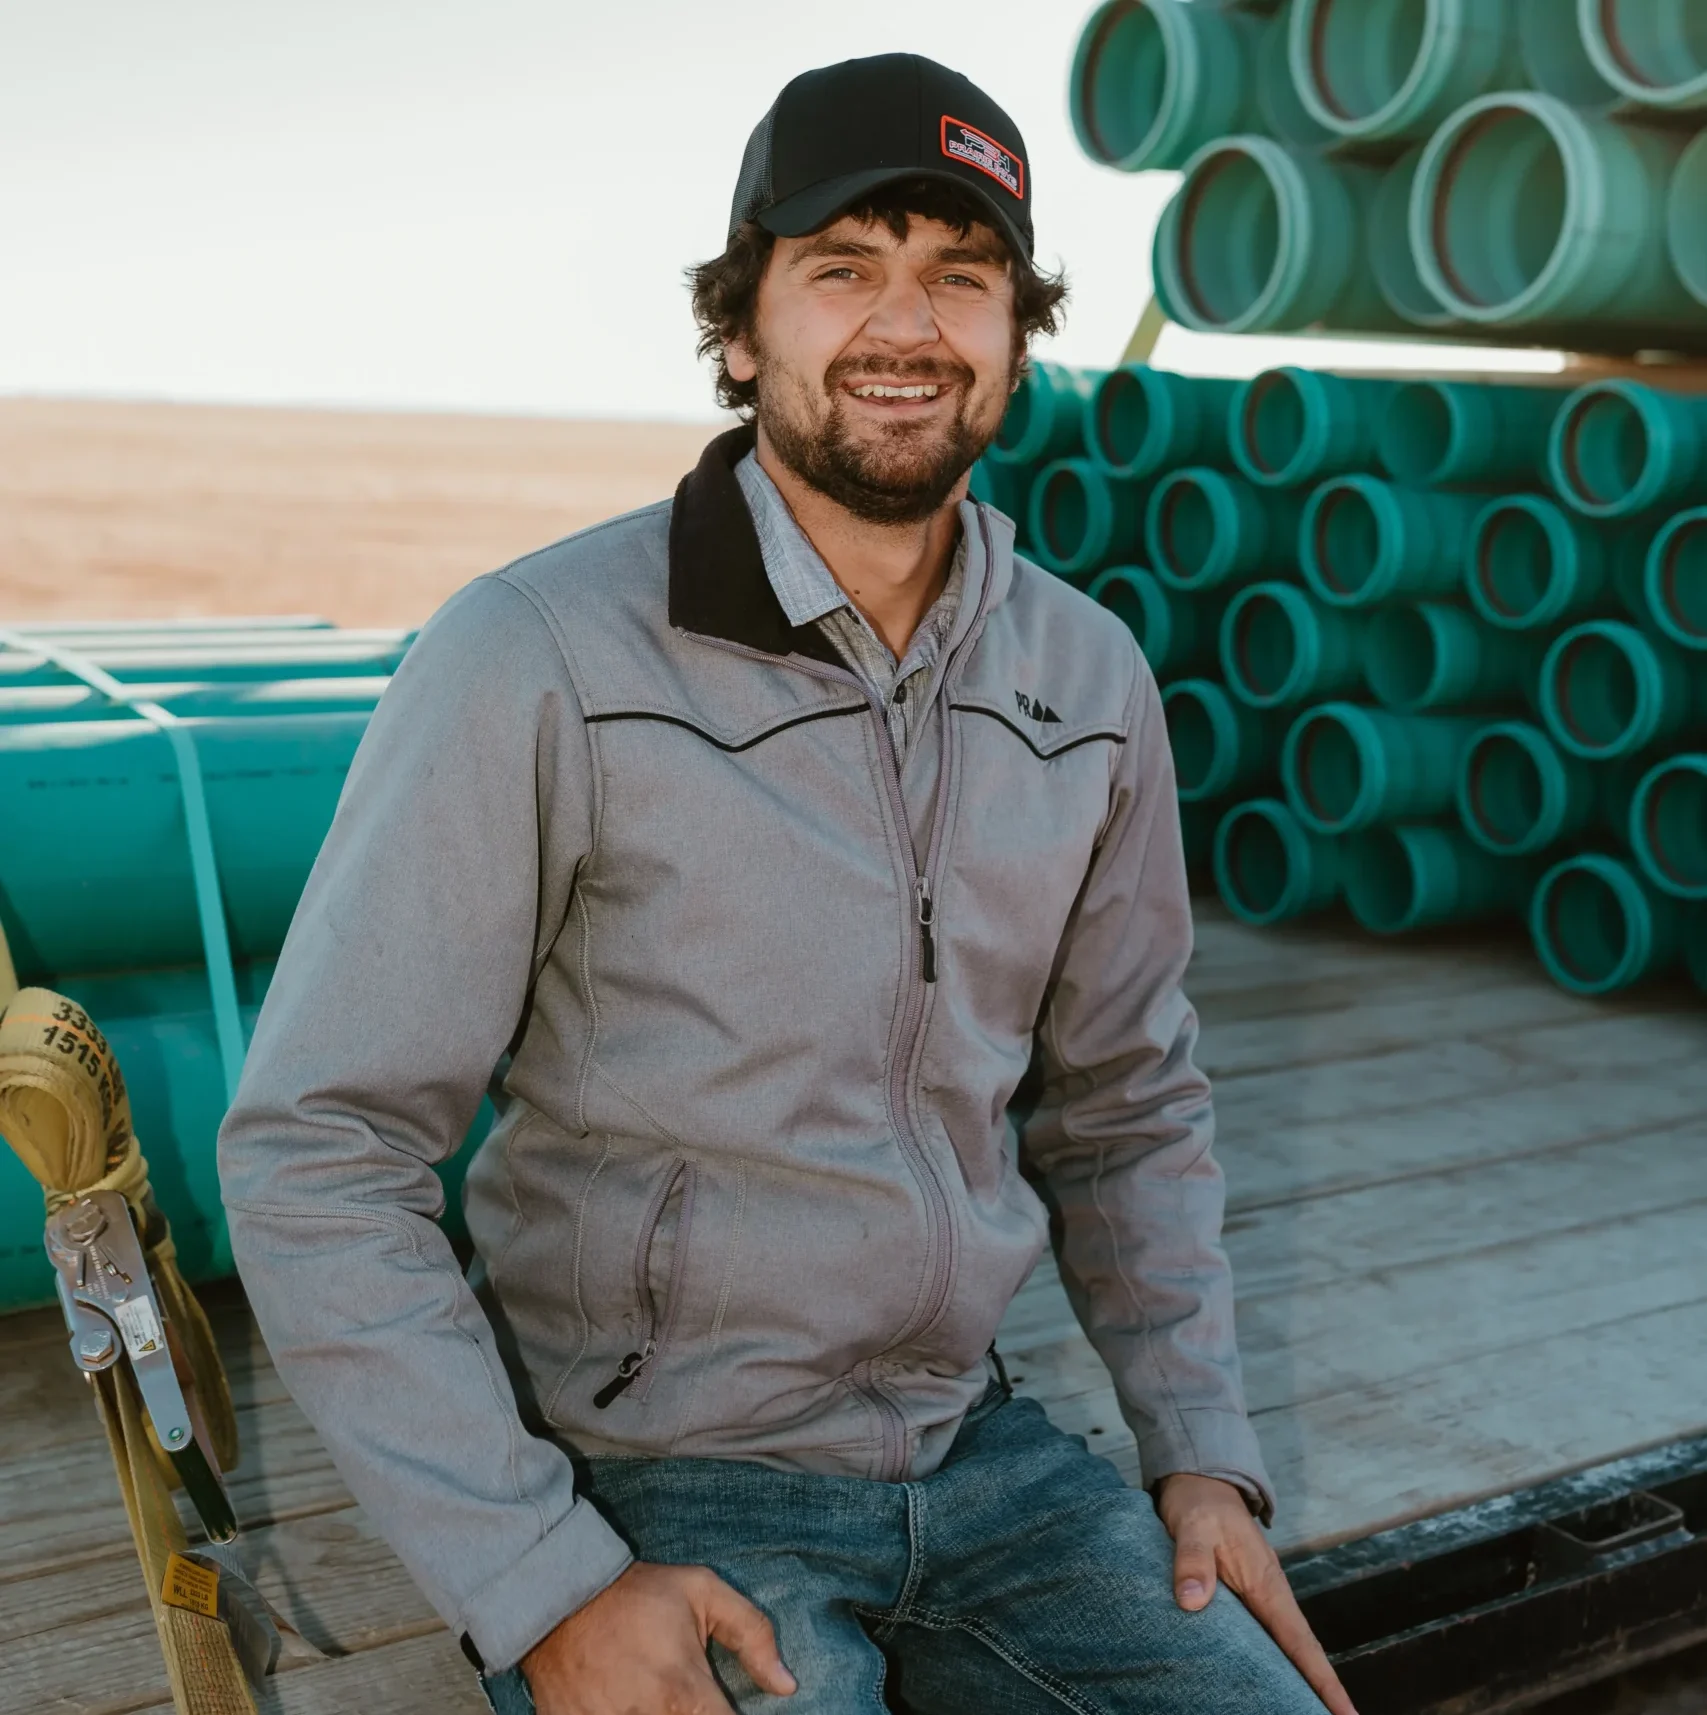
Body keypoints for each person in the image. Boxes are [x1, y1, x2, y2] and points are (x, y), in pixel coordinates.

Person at [219, 51, 1354, 1715]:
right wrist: (539, 1580)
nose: (906, 326)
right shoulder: (539, 656)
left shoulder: (1086, 681)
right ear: (741, 326)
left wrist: (1199, 1452)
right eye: (841, 269)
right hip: (645, 1485)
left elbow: (1126, 1103)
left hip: (981, 1457)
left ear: (1014, 334)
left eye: (959, 276)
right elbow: (320, 1145)